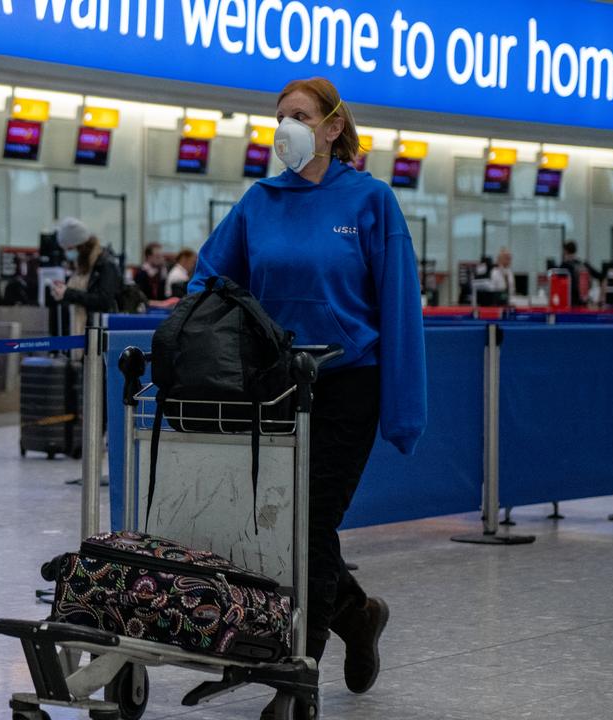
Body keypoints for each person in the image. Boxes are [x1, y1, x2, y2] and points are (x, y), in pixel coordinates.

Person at [189, 77, 426, 717]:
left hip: (349, 382)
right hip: (276, 384)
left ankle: (301, 672)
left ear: (331, 128)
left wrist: (405, 411)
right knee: (282, 521)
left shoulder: (371, 201)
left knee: (309, 521)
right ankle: (357, 612)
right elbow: (211, 277)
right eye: (278, 116)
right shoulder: (259, 201)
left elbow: (401, 308)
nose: (284, 126)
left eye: (298, 115)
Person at [50, 217, 122, 334]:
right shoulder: (81, 266)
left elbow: (104, 300)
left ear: (81, 246)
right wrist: (62, 294)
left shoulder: (106, 264)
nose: (67, 253)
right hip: (77, 330)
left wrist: (68, 293)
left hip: (97, 332)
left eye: (69, 248)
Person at [558, 240, 602, 306]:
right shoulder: (583, 264)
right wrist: (601, 298)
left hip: (569, 302)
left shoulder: (564, 266)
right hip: (583, 302)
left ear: (565, 251)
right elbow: (601, 276)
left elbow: (559, 285)